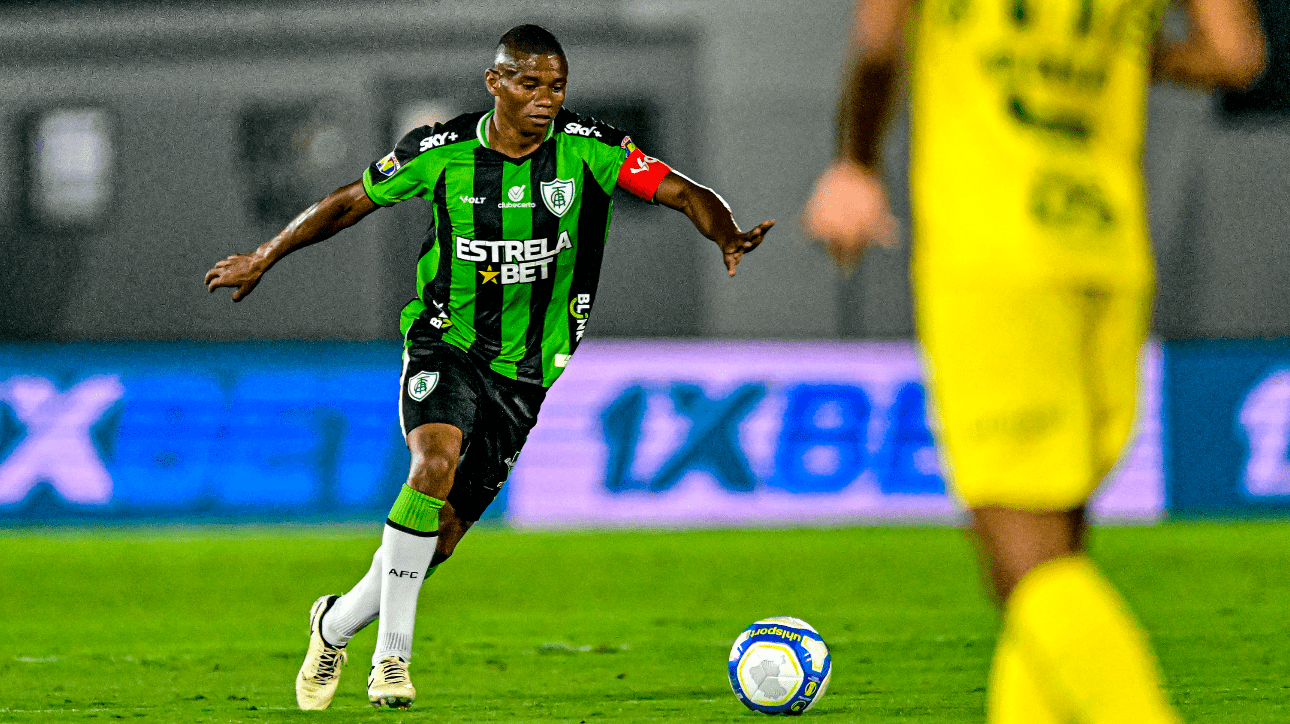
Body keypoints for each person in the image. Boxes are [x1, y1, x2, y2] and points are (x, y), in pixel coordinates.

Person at [205, 24, 774, 711]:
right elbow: (348, 202)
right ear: (495, 83)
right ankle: (393, 658)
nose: (545, 99)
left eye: (556, 86)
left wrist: (725, 231)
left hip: (528, 373)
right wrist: (265, 256)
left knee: (437, 540)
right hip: (447, 340)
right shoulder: (439, 153)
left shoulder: (590, 150)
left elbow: (682, 191)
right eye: (530, 84)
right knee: (431, 464)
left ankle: (332, 624)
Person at [804, 1, 1263, 722]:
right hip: (1107, 245)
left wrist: (856, 164)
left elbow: (879, 45)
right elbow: (1235, 57)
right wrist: (1125, 57)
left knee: (1023, 561)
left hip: (994, 246)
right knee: (1059, 550)